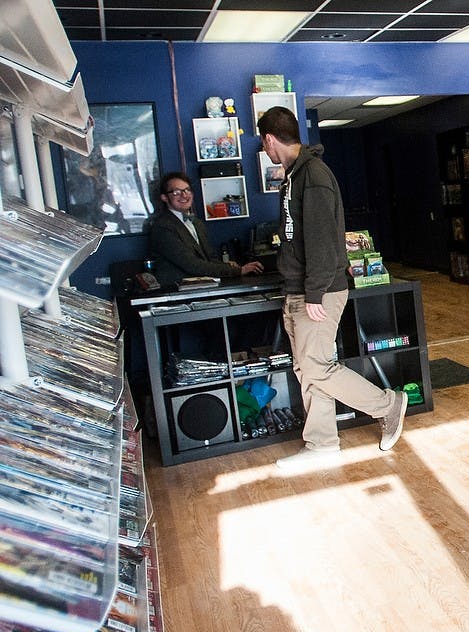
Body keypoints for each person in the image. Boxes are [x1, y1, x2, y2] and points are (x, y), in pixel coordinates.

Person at [257, 106, 407, 469]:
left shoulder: (314, 176)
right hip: (300, 288)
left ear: (269, 139)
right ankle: (321, 444)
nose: (264, 150)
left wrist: (313, 294)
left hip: (318, 291)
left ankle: (388, 404)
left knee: (318, 367)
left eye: (263, 144)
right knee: (307, 368)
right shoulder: (294, 175)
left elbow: (324, 242)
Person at [147, 172, 263, 285]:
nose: (184, 195)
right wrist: (238, 271)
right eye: (177, 192)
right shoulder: (162, 227)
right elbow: (192, 265)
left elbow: (209, 259)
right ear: (164, 197)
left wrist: (227, 265)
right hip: (176, 293)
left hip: (202, 289)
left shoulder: (197, 223)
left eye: (187, 190)